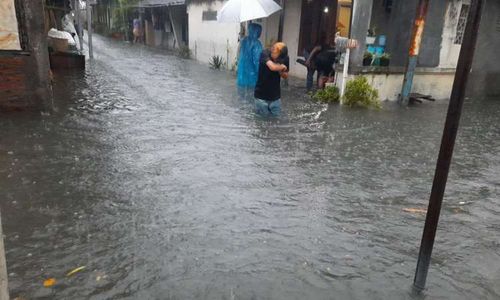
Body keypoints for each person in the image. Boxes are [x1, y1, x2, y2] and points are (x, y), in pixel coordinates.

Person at [254, 42, 289, 116]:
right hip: (261, 97)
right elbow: (272, 67)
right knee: (262, 122)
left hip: (275, 98)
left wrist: (281, 71)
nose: (278, 60)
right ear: (273, 51)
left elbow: (286, 75)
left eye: (280, 59)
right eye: (277, 58)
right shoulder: (265, 54)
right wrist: (282, 67)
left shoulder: (285, 57)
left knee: (276, 122)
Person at [237, 23, 263, 88]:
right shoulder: (257, 44)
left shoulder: (244, 40)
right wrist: (261, 73)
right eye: (260, 31)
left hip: (242, 72)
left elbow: (239, 54)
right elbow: (257, 60)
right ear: (257, 31)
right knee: (252, 93)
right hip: (252, 74)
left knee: (241, 93)